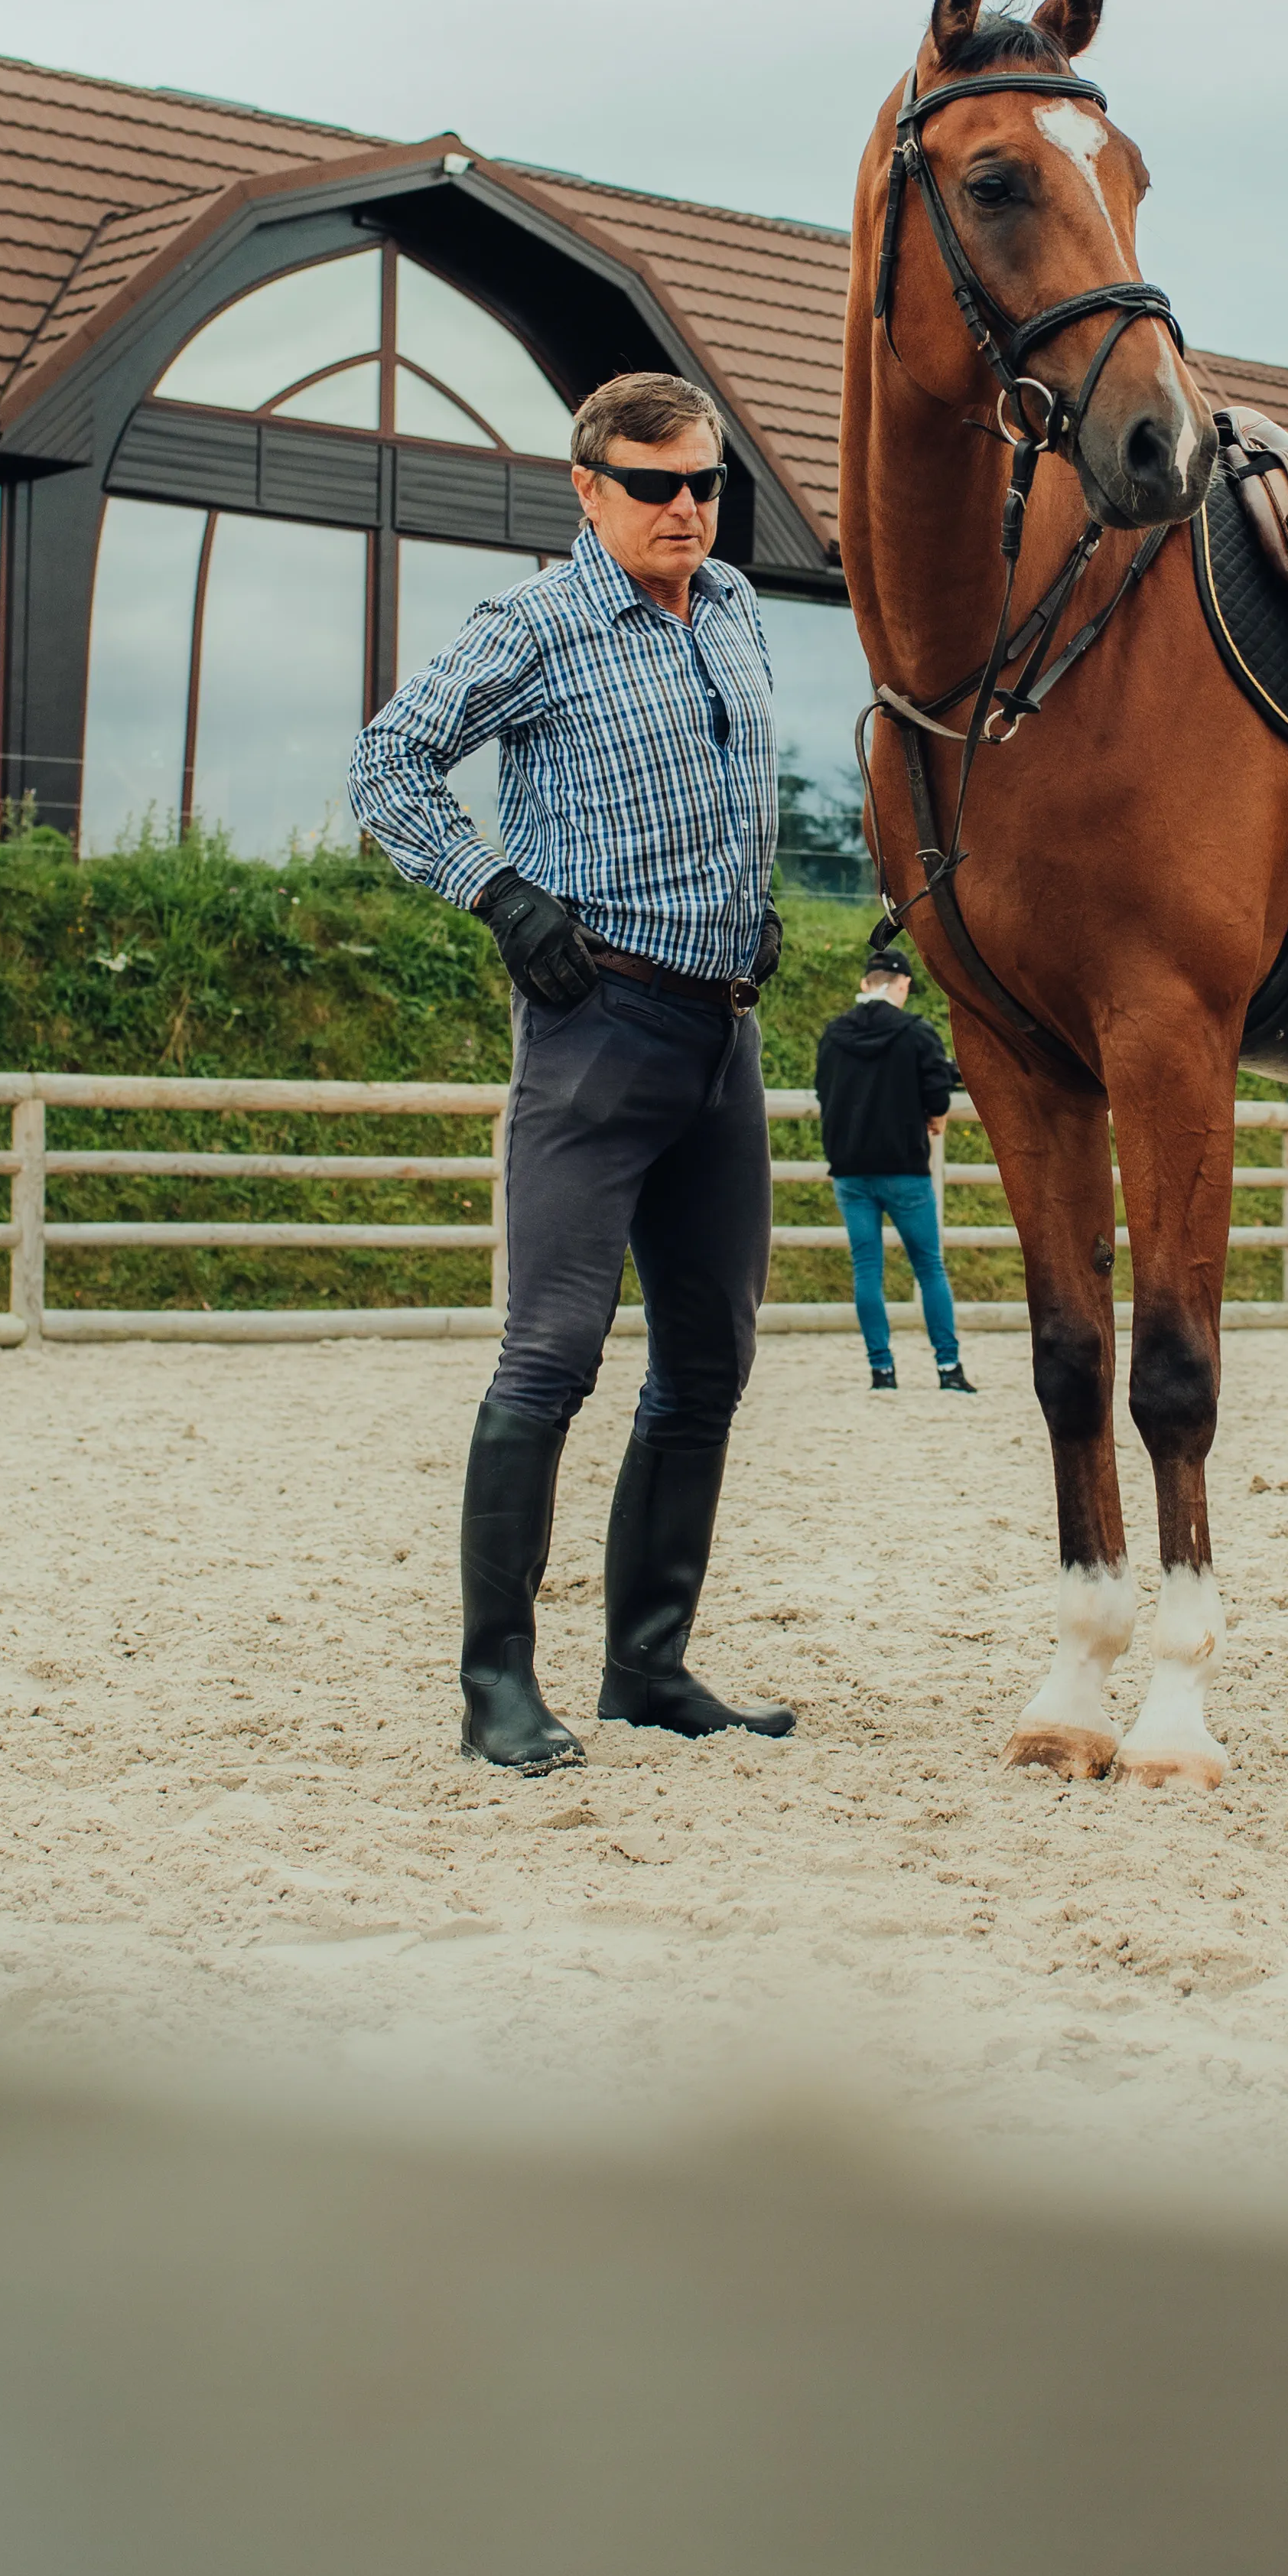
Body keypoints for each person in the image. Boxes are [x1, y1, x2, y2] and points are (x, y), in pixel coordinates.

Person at [348, 370, 790, 1776]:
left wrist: (753, 900)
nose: (684, 510)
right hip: (597, 1027)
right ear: (588, 490)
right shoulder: (531, 625)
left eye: (703, 485)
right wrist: (496, 892)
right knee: (550, 1356)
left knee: (709, 1361)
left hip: (722, 1034)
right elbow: (387, 765)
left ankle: (647, 1669)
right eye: (653, 486)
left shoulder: (733, 610)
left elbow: (730, 786)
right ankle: (495, 1687)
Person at [812, 948, 974, 1394]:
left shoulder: (833, 1034)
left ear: (867, 983)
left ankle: (882, 1371)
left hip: (850, 1170)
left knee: (867, 1270)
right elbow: (938, 1089)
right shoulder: (917, 1033)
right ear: (901, 985)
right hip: (904, 1168)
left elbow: (825, 1091)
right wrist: (936, 1119)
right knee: (929, 1267)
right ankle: (948, 1368)